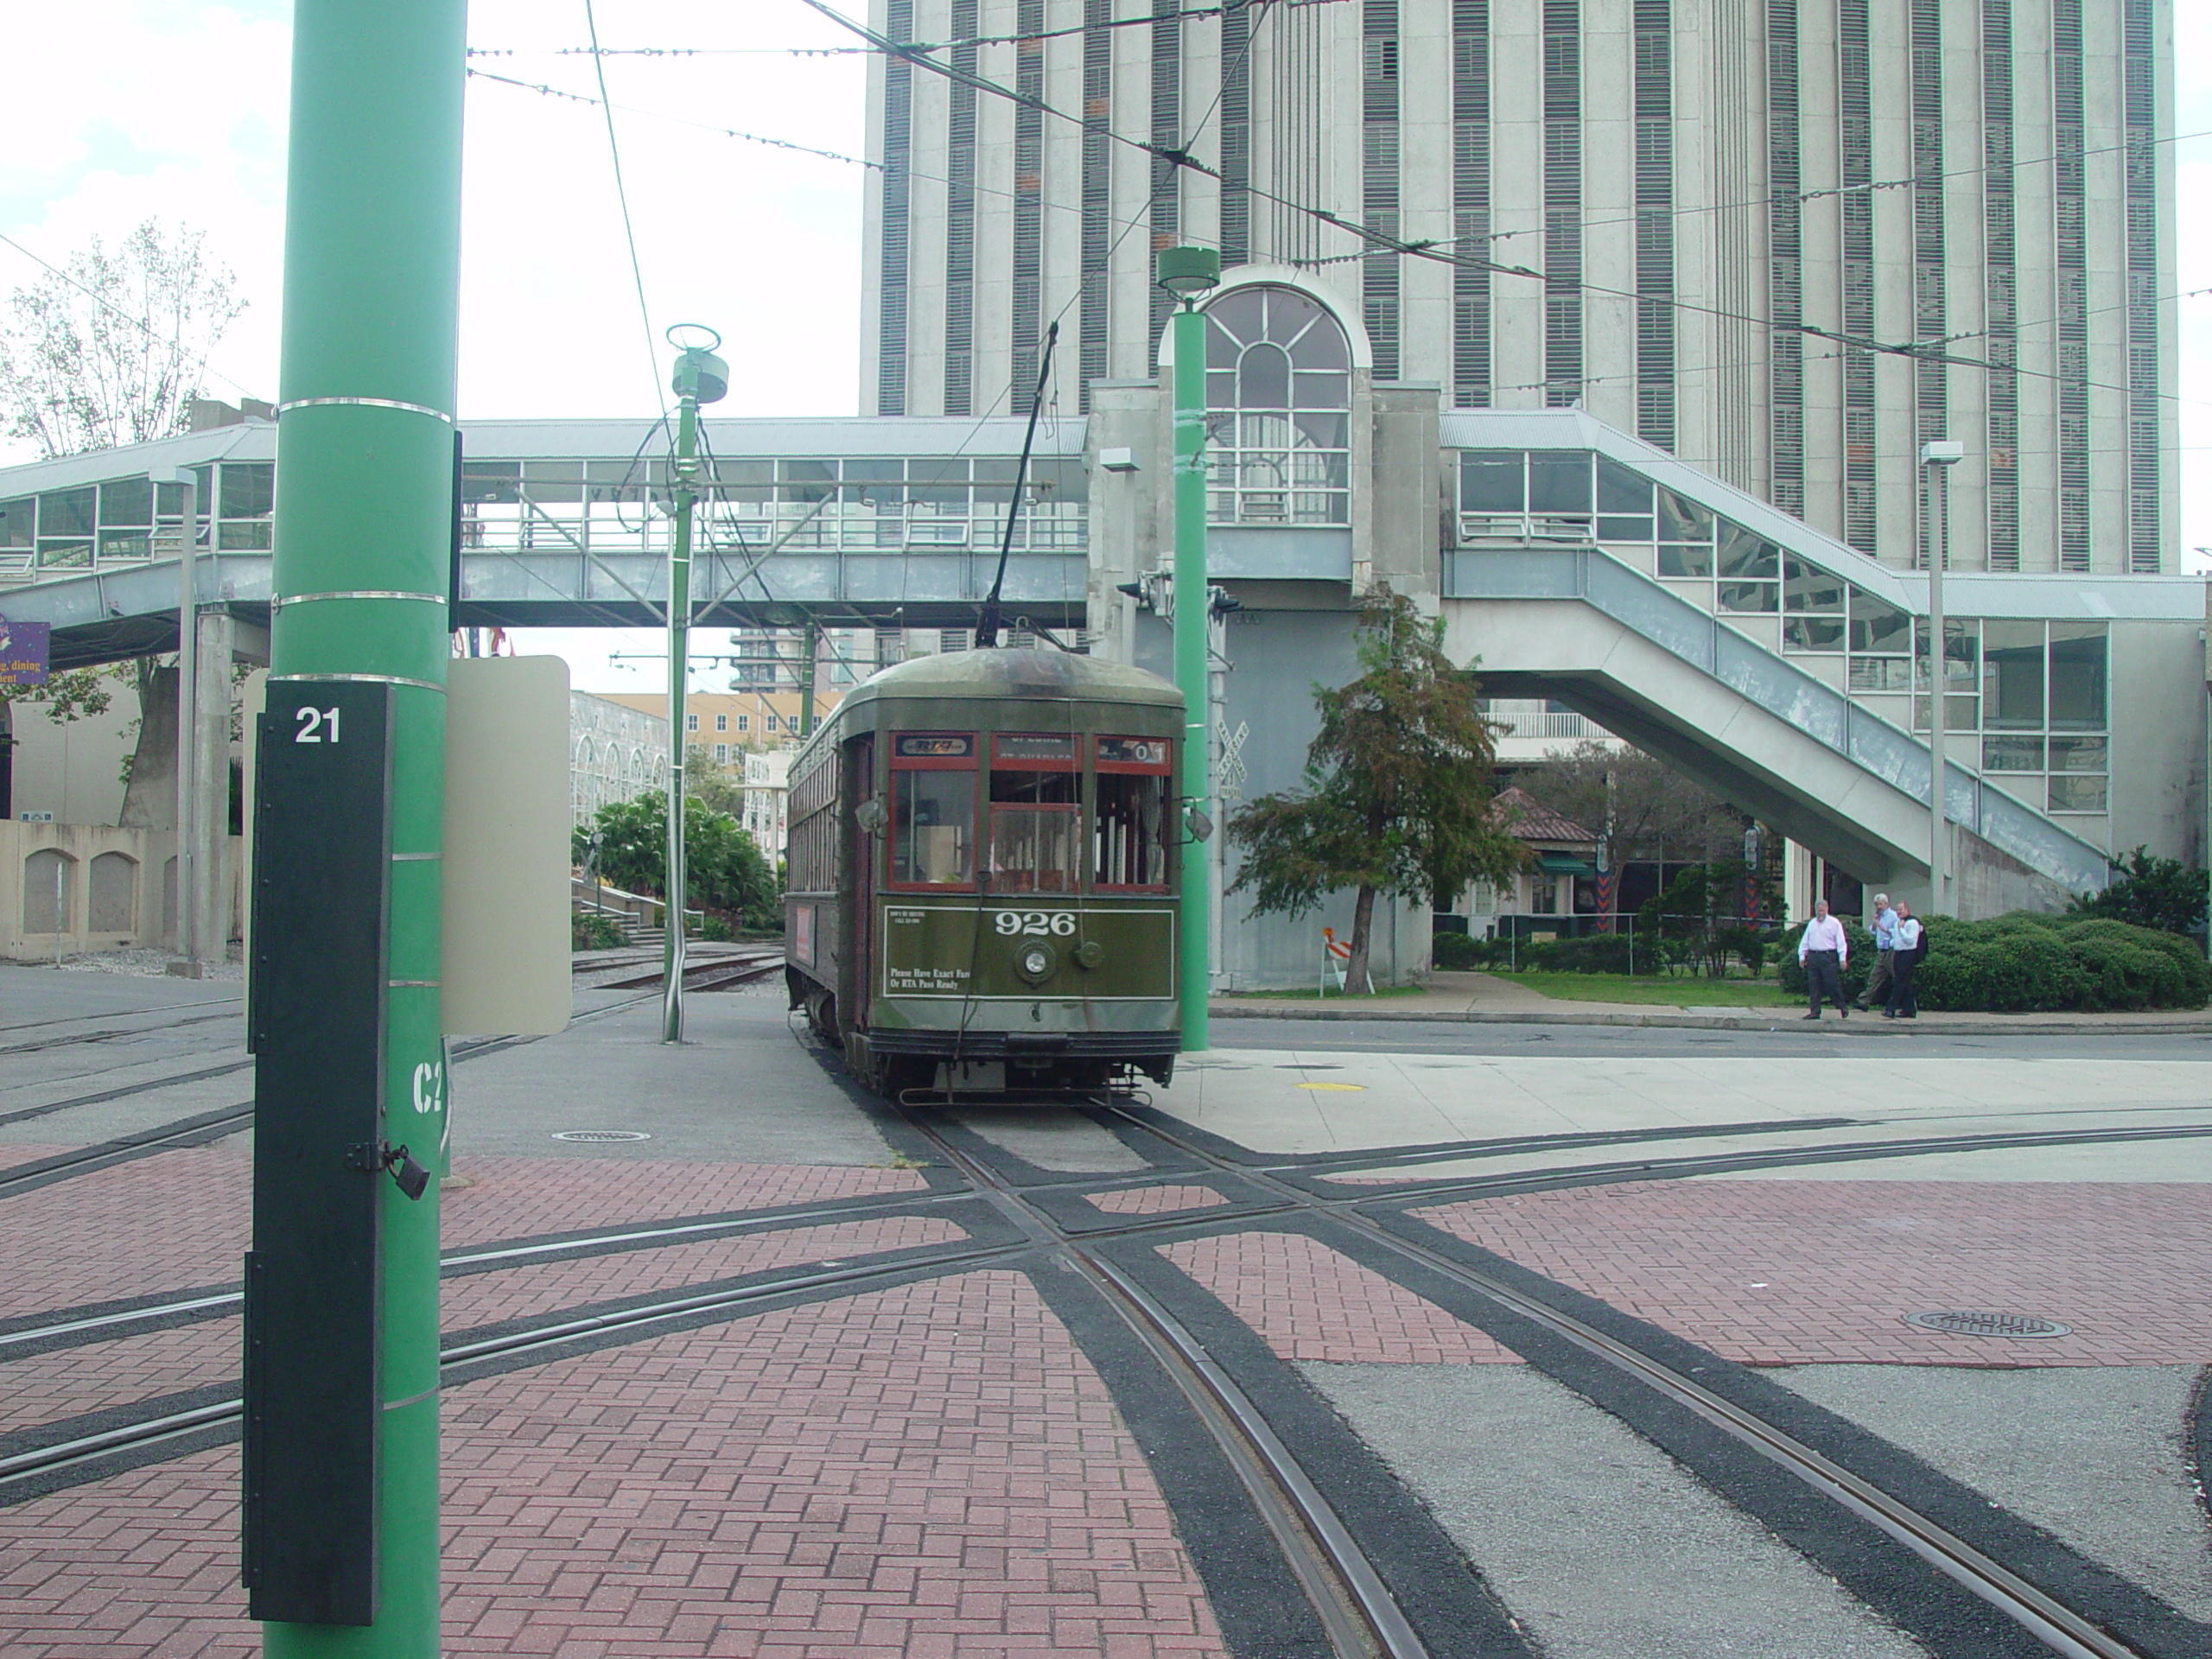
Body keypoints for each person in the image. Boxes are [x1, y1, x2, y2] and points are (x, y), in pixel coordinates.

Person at [1796, 898, 1849, 1020]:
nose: (1820, 913)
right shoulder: (1812, 924)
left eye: (1822, 911)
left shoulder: (1834, 923)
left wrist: (1842, 958)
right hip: (1814, 956)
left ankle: (1842, 1007)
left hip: (1828, 956)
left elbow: (1841, 942)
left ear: (1827, 909)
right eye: (1818, 911)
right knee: (1814, 985)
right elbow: (1805, 941)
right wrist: (1802, 955)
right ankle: (1815, 1011)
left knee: (1832, 984)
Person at [1855, 892, 1897, 1011]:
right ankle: (1864, 1001)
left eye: (1881, 904)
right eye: (1877, 904)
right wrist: (1875, 923)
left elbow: (1893, 932)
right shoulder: (1879, 917)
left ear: (1887, 904)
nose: (1879, 907)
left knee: (1898, 978)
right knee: (1874, 977)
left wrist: (1880, 925)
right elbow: (1873, 932)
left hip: (1890, 950)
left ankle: (1907, 1004)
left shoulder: (1893, 916)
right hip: (1881, 951)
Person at [1885, 901, 1925, 1019]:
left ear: (1907, 910)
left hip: (1908, 954)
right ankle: (1909, 1010)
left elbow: (1911, 940)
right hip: (1898, 954)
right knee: (1904, 982)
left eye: (1901, 909)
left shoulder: (1912, 923)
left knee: (1899, 982)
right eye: (1897, 910)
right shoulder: (1899, 922)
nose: (1899, 912)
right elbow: (1896, 939)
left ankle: (1890, 1008)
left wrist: (1901, 929)